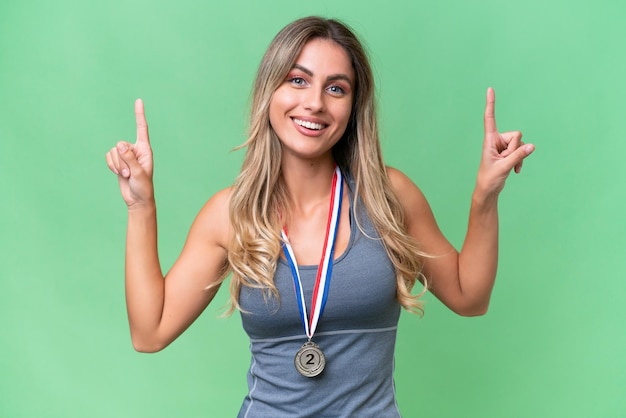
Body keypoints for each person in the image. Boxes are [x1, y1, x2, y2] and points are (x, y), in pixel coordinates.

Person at [105, 16, 534, 418]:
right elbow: (150, 333)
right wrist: (141, 206)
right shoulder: (230, 214)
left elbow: (469, 297)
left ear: (352, 107)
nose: (314, 103)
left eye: (336, 88)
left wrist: (485, 195)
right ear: (270, 91)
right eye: (297, 80)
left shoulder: (388, 196)